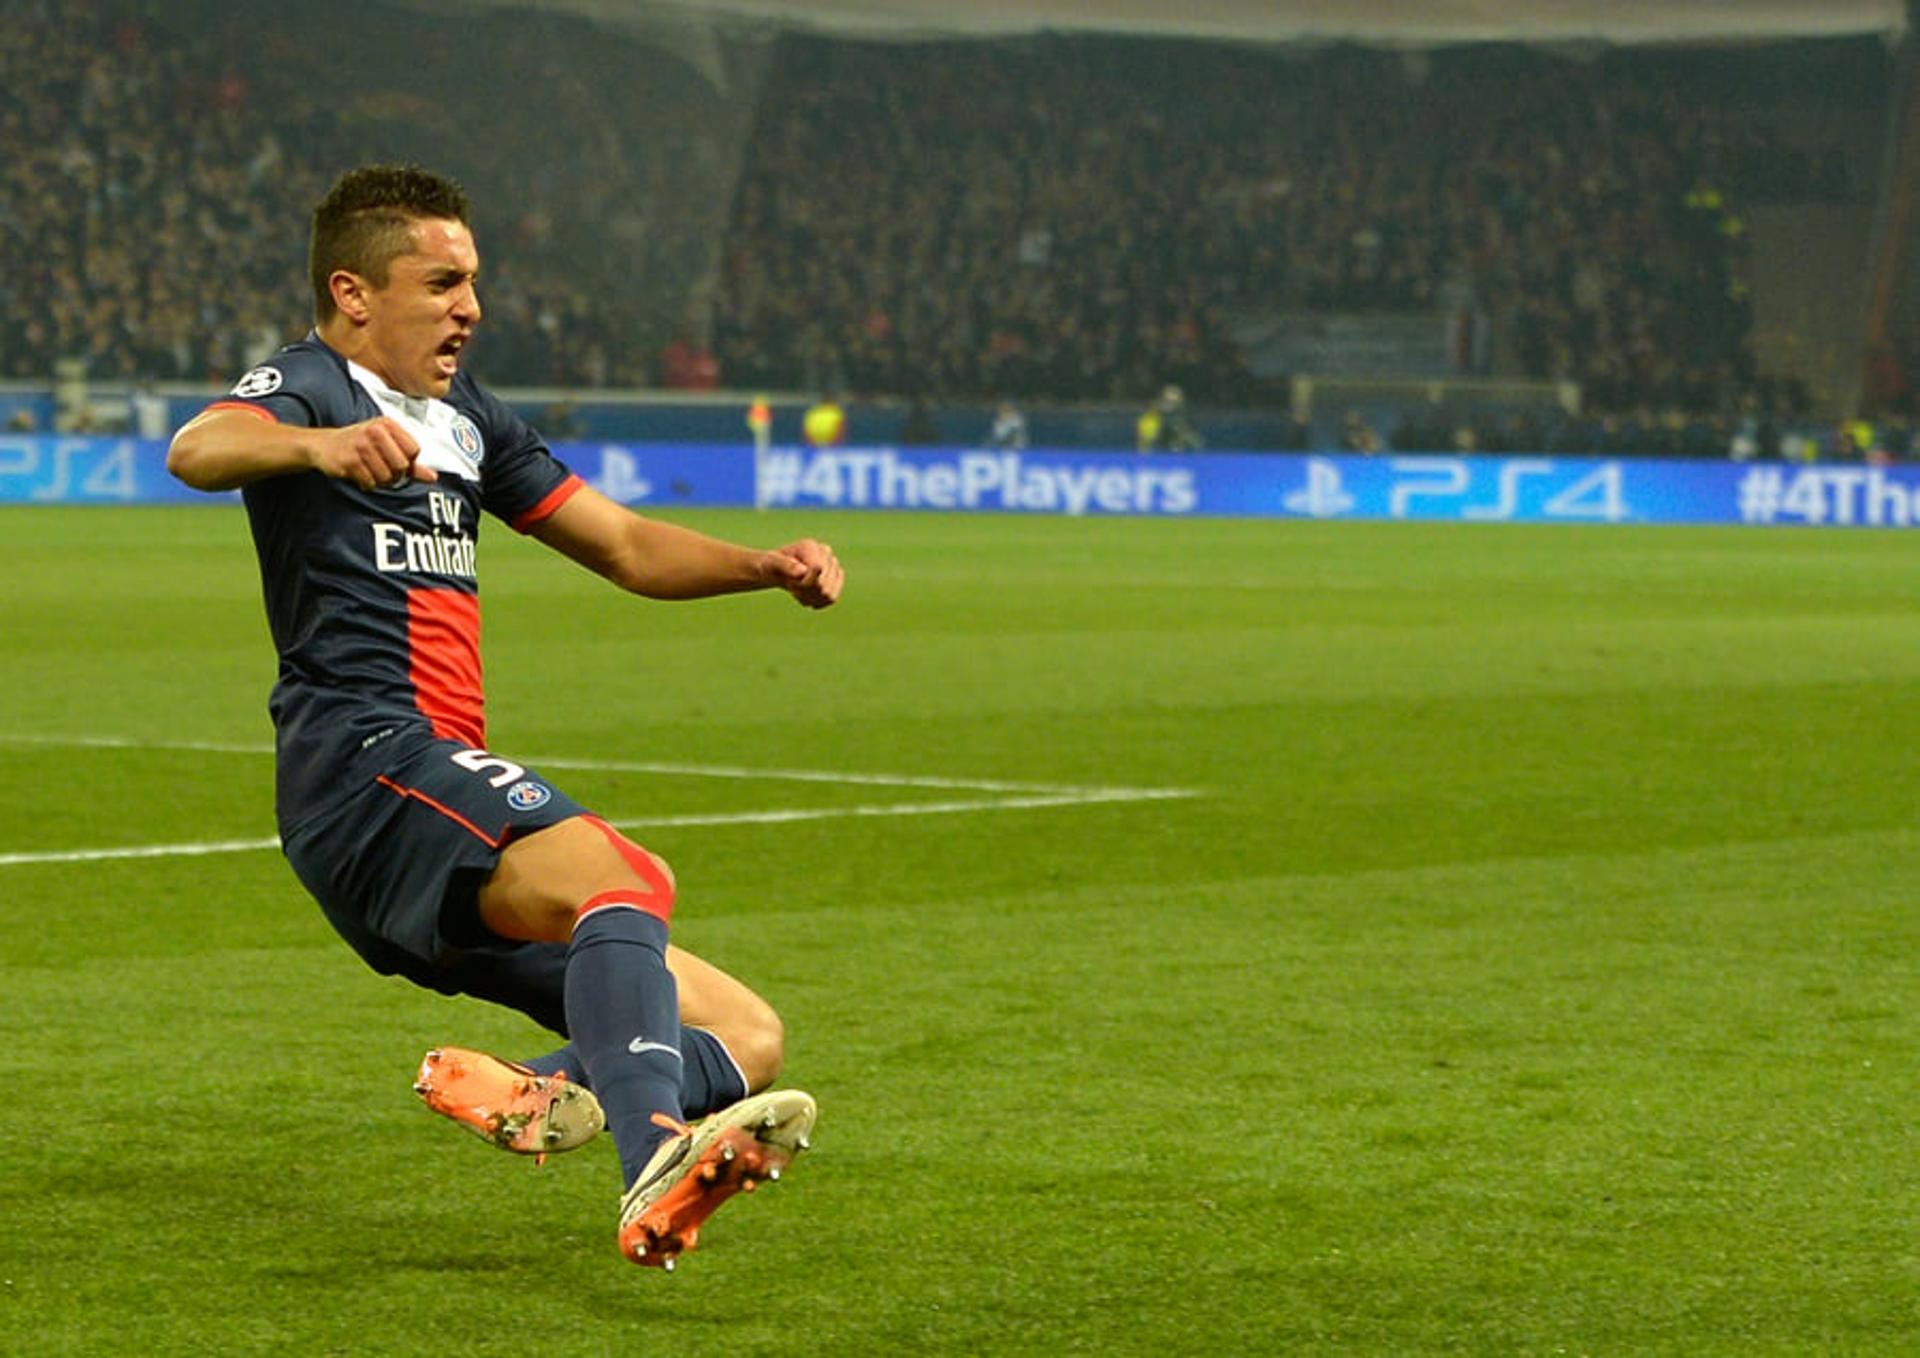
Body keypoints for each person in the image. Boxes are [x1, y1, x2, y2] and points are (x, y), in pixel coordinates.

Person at [165, 164, 842, 1272]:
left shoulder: (467, 418)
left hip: (437, 803)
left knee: (746, 1036)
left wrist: (759, 565)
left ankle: (551, 1092)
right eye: (443, 283)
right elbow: (197, 445)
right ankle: (653, 1154)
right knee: (627, 879)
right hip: (370, 769)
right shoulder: (309, 386)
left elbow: (622, 545)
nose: (471, 307)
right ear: (353, 293)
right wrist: (314, 446)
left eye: (472, 282)